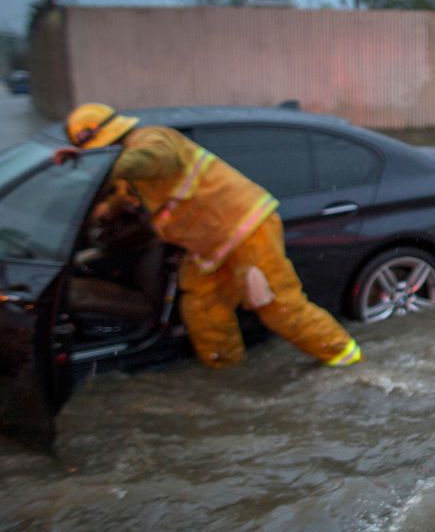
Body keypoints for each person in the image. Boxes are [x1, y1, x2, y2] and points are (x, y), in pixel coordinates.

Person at [55, 103, 361, 369]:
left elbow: (152, 161)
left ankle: (347, 360)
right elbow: (128, 196)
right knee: (202, 308)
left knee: (278, 305)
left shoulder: (151, 139)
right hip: (209, 245)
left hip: (246, 228)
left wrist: (103, 164)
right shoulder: (128, 165)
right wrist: (105, 209)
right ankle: (227, 369)